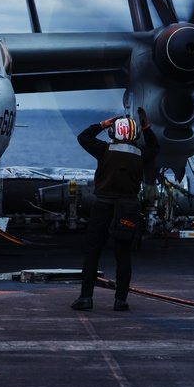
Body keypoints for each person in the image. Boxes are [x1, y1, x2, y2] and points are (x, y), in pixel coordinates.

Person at [71, 108, 159, 312]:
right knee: (123, 254)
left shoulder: (104, 150)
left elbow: (83, 137)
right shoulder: (141, 154)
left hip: (103, 205)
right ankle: (120, 300)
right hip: (128, 208)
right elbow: (155, 147)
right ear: (134, 134)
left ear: (114, 133)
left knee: (93, 251)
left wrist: (102, 125)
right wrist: (146, 128)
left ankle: (86, 298)